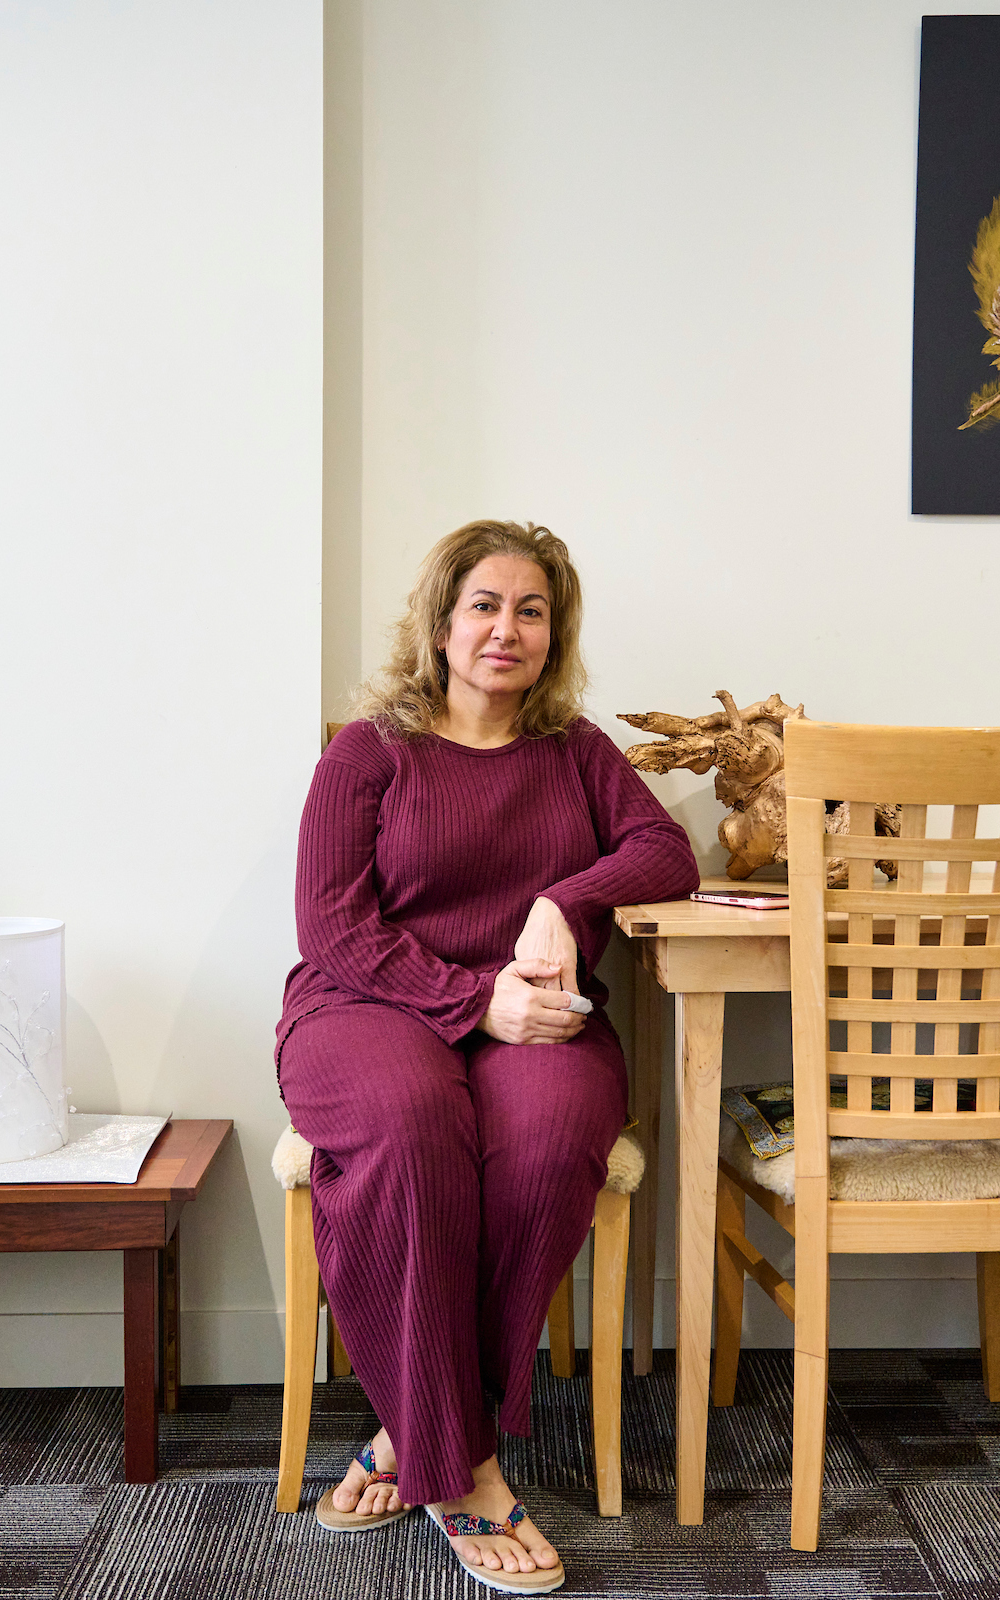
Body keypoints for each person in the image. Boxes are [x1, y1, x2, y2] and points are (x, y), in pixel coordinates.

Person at [276, 520, 698, 1592]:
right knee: (415, 1125)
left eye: (532, 610)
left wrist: (565, 897)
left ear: (555, 636)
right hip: (365, 1004)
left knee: (556, 1138)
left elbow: (665, 850)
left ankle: (408, 1438)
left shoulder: (577, 751)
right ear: (441, 621)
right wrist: (476, 999)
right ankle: (465, 1470)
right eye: (485, 605)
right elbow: (332, 925)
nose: (505, 629)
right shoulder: (367, 751)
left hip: (537, 1019)